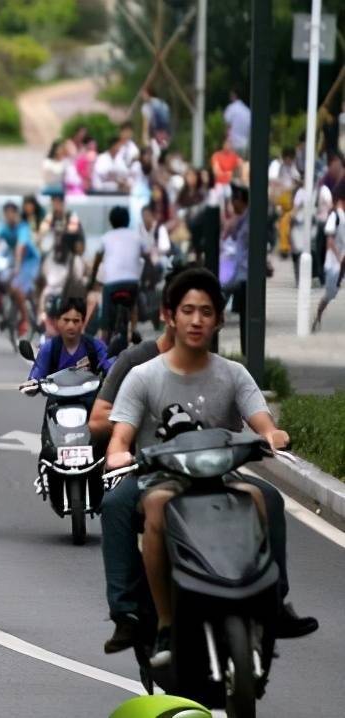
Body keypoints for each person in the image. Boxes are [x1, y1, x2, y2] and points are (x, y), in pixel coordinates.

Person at [88, 269, 317, 655]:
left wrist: (273, 437)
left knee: (268, 499)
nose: (197, 320)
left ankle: (274, 603)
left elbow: (264, 426)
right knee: (117, 504)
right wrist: (118, 456)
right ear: (170, 316)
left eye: (206, 312)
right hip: (157, 480)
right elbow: (119, 439)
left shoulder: (234, 374)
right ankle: (136, 616)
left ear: (219, 320)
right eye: (188, 310)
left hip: (220, 478)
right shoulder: (142, 376)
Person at [0, 202, 41, 337]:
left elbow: (20, 248)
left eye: (11, 213)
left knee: (16, 287)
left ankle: (24, 319)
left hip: (28, 260)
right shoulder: (3, 227)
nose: (9, 216)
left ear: (16, 214)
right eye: (6, 213)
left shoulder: (23, 228)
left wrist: (18, 267)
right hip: (13, 258)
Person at [90, 207, 149, 342]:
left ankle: (105, 337)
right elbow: (147, 254)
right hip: (131, 283)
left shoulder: (106, 237)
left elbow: (97, 257)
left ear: (111, 221)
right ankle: (133, 329)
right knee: (133, 304)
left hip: (111, 284)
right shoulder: (136, 236)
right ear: (128, 220)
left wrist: (93, 277)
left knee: (106, 316)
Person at [28, 297, 112, 380]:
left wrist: (94, 364)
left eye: (76, 321)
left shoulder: (95, 345)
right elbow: (36, 377)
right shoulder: (49, 348)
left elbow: (110, 368)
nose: (71, 326)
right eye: (66, 320)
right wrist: (31, 385)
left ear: (83, 322)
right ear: (57, 321)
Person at [220, 185, 250, 354]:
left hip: (245, 275)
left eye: (233, 201)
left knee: (246, 317)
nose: (232, 204)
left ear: (240, 200)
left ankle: (247, 351)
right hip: (239, 273)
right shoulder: (242, 219)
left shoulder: (249, 219)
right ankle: (245, 350)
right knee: (242, 317)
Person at [313, 182, 345, 332]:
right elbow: (330, 241)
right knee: (330, 294)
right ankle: (318, 316)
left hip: (341, 262)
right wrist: (339, 258)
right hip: (334, 264)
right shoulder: (335, 216)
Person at [224, 89, 252, 158]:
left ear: (234, 95)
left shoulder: (230, 108)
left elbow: (227, 126)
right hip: (245, 144)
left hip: (233, 144)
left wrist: (226, 141)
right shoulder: (247, 111)